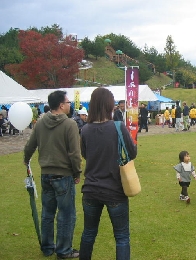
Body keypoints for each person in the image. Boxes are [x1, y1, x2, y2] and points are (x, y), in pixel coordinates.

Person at [79, 88, 137, 260]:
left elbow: (85, 154)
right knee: (121, 237)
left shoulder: (86, 130)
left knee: (88, 233)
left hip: (90, 189)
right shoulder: (118, 127)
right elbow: (132, 153)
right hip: (115, 190)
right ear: (110, 105)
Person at [24, 90, 81, 259]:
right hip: (63, 175)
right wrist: (77, 172)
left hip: (46, 174)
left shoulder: (41, 122)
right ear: (61, 105)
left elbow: (29, 145)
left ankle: (47, 246)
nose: (69, 105)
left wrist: (26, 160)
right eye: (68, 102)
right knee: (66, 214)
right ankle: (63, 250)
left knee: (47, 213)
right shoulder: (70, 124)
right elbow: (74, 153)